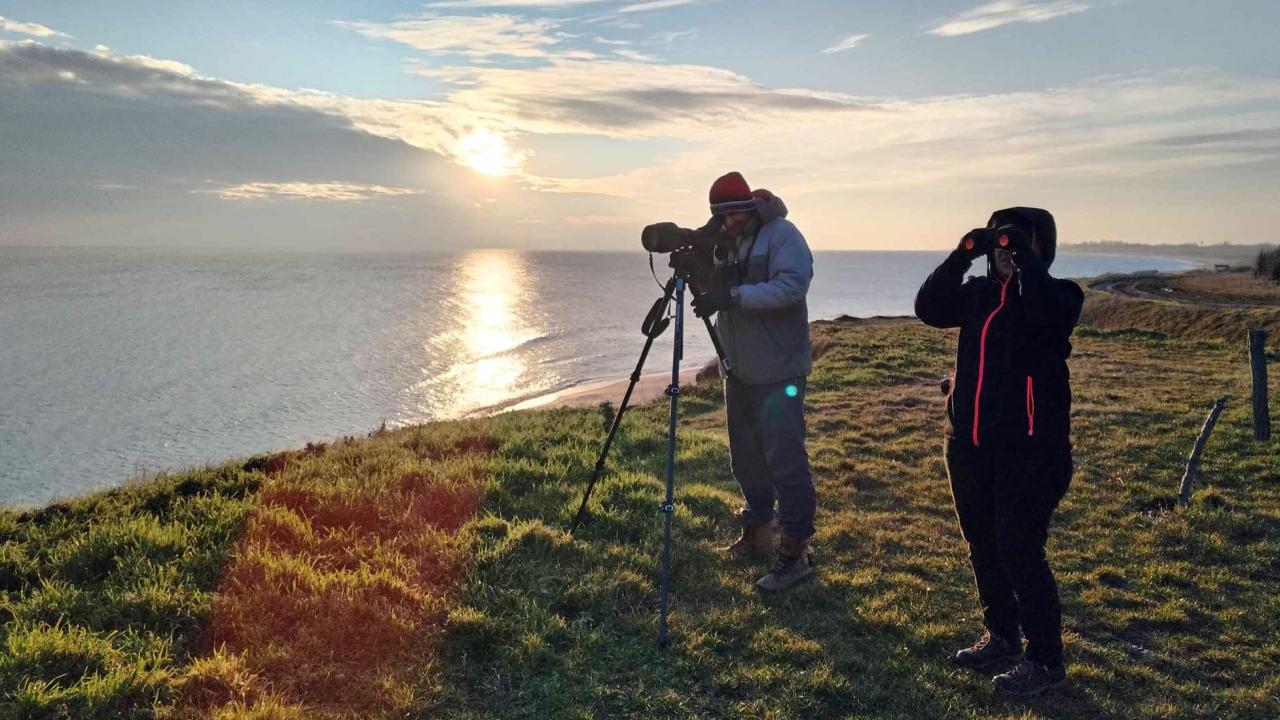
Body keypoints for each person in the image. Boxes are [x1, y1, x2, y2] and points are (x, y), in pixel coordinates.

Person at [914, 207, 1084, 697]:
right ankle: (1003, 638)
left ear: (1040, 248)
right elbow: (929, 307)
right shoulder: (978, 295)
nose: (1006, 256)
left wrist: (1026, 260)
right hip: (969, 444)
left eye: (1018, 246)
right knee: (982, 543)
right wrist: (962, 252)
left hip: (1032, 451)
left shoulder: (1061, 296)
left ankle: (1046, 660)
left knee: (1019, 547)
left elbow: (1046, 314)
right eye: (1001, 248)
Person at [689, 171, 817, 593]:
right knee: (745, 460)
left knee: (786, 462)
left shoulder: (783, 234)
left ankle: (795, 553)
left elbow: (792, 286)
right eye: (722, 218)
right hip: (738, 370)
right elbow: (720, 289)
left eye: (734, 215)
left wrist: (734, 297)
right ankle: (758, 535)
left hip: (779, 373)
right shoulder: (729, 241)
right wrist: (701, 273)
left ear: (749, 208)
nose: (729, 224)